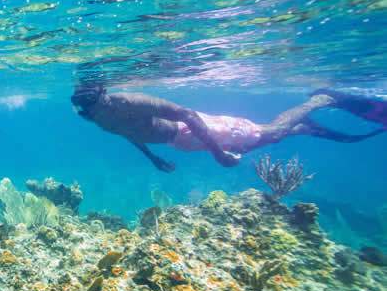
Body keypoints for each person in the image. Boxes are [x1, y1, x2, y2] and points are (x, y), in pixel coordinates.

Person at [71, 84, 384, 172]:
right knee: (259, 140)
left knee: (268, 134)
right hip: (180, 142)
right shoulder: (99, 118)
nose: (100, 109)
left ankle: (319, 100)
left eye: (101, 103)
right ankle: (302, 127)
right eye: (91, 110)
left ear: (103, 98)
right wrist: (152, 158)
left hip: (196, 131)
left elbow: (186, 113)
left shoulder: (129, 101)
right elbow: (128, 132)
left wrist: (217, 151)